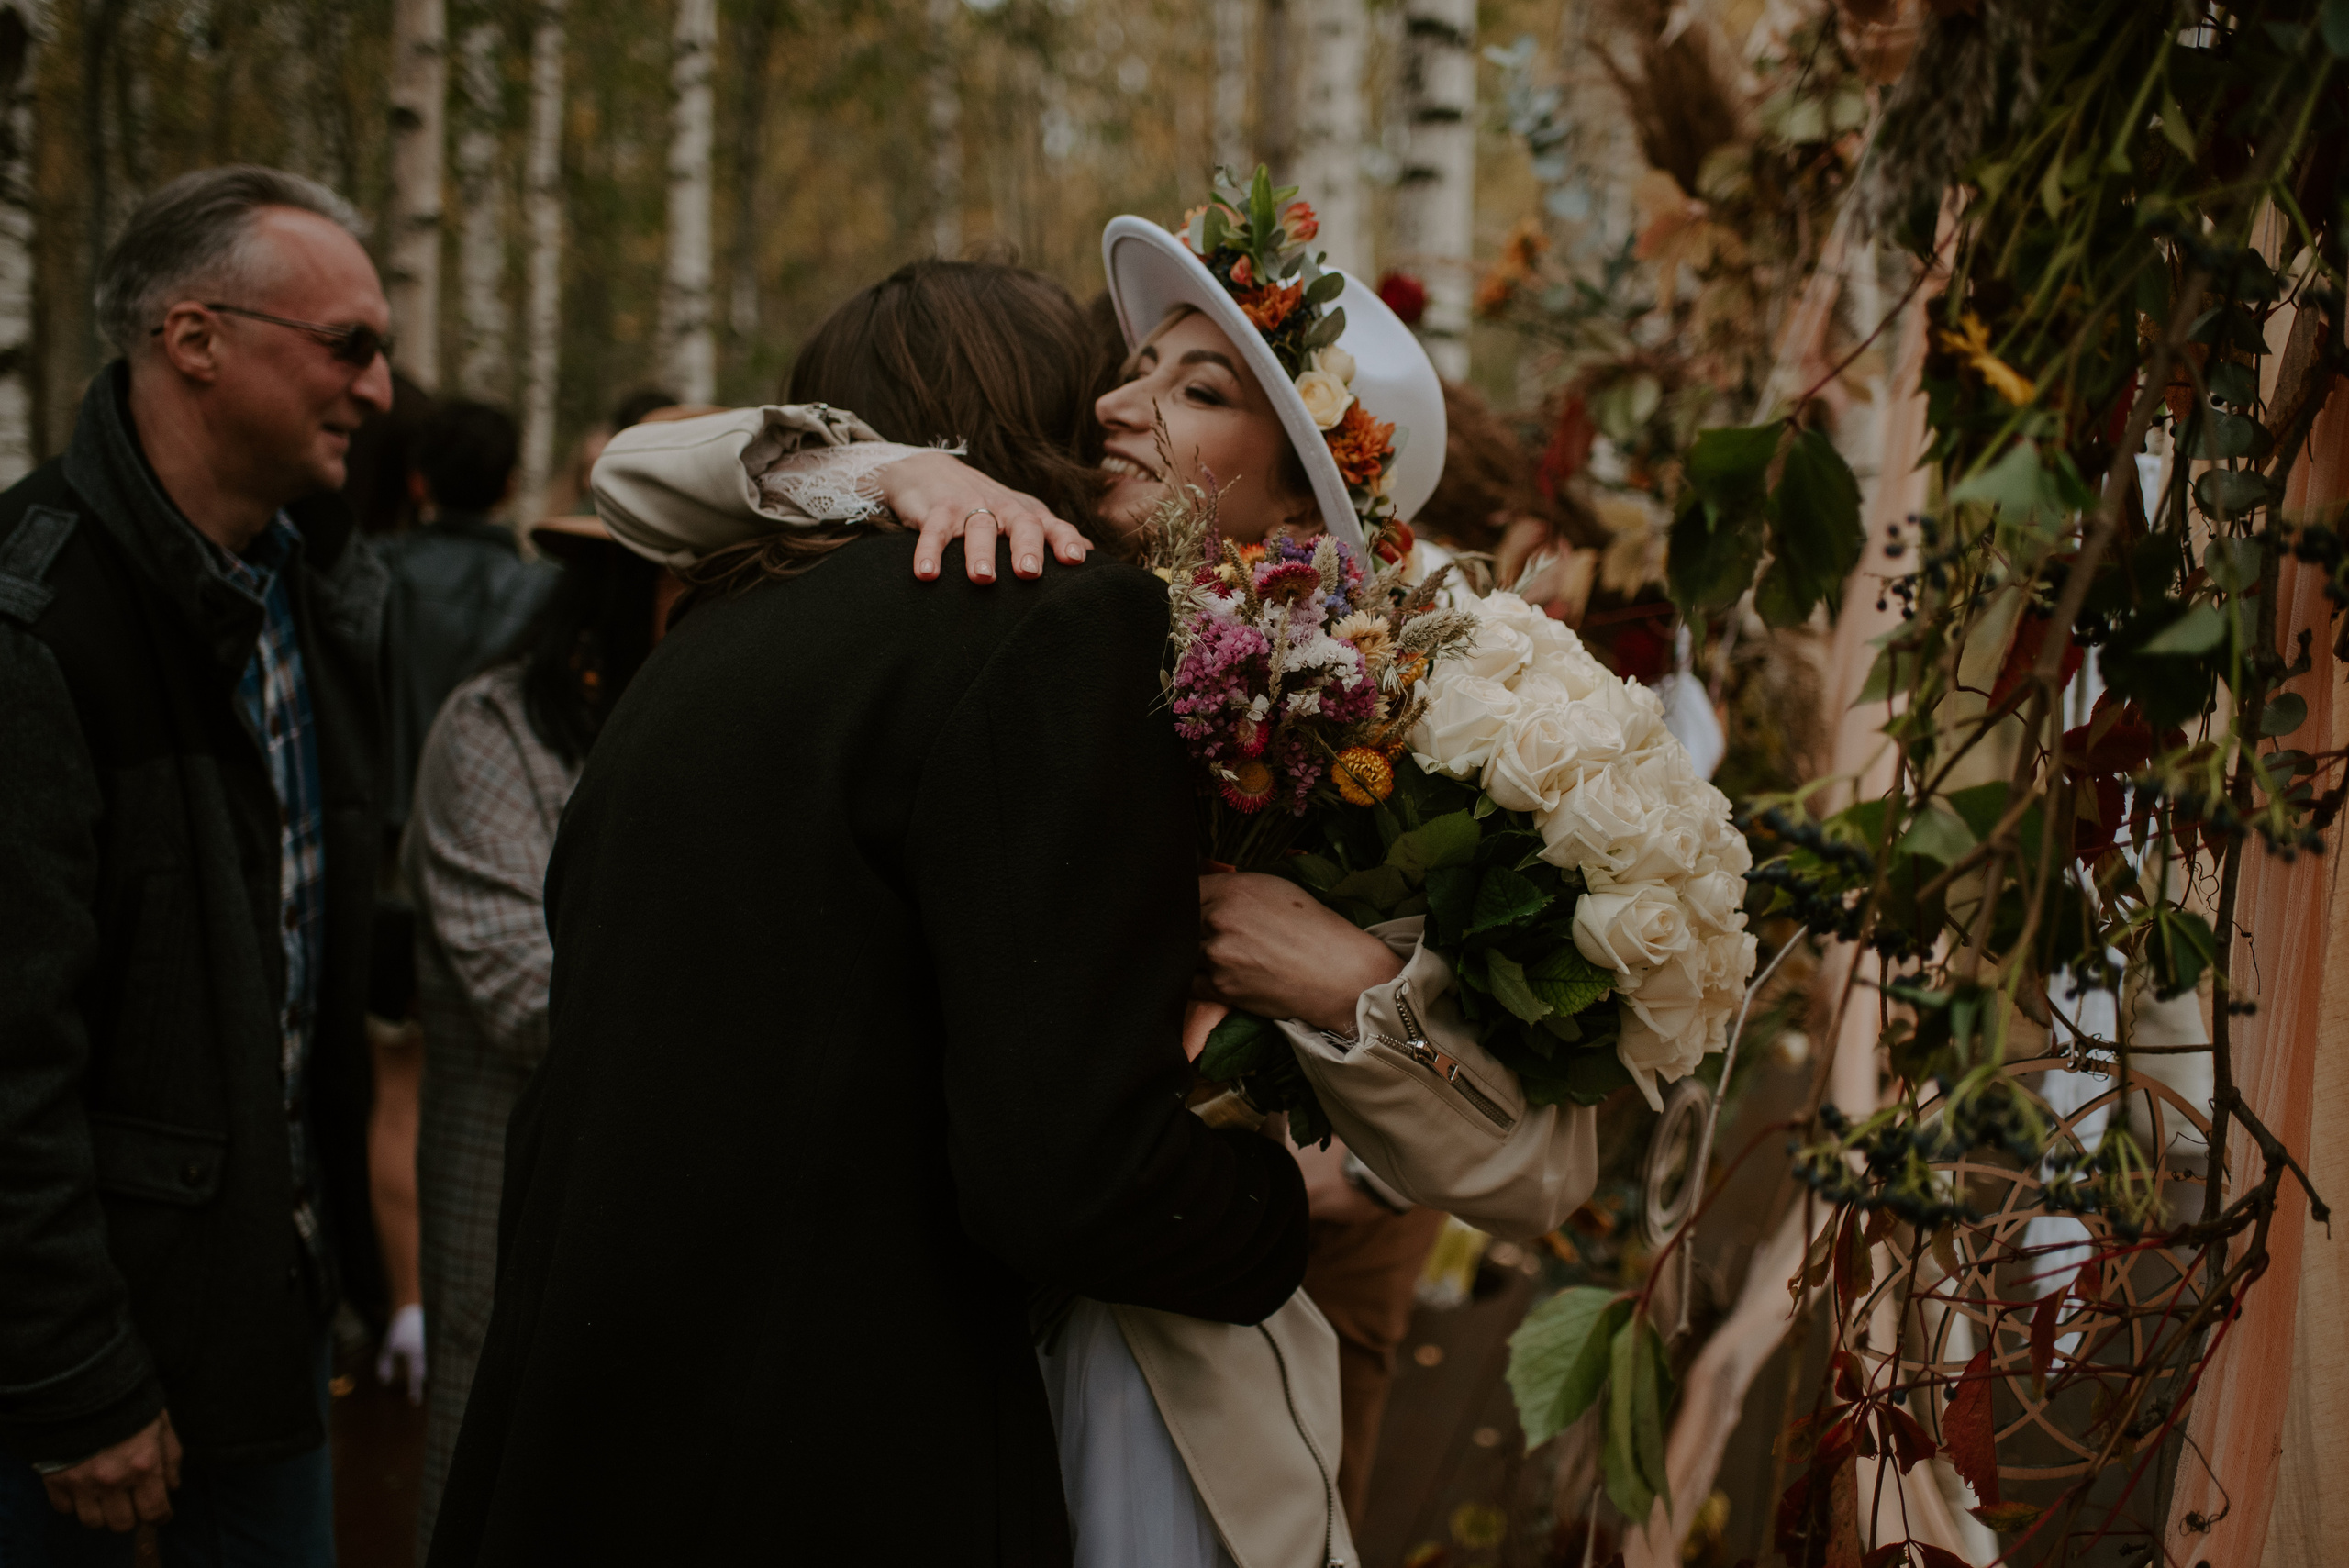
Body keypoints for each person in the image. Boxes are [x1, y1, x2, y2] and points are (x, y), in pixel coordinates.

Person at [591, 215, 1605, 1568]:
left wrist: (1349, 988)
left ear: (1301, 500)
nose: (1120, 406)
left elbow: (1545, 1168)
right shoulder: (1011, 617)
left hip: (1158, 1381)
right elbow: (631, 475)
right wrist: (887, 466)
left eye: (1197, 390)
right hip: (907, 1378)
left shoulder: (1365, 743)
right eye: (1127, 370)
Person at [423, 259, 1314, 1567]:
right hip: (834, 1447)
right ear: (1042, 422)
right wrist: (1265, 1206)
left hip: (590, 1412)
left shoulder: (701, 651)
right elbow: (1062, 1175)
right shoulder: (1058, 624)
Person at [0, 163, 394, 1562]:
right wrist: (71, 1380)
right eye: (350, 344)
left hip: (266, 1326)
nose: (384, 388)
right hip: (79, 1381)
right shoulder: (35, 624)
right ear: (194, 339)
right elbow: (8, 1059)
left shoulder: (326, 593)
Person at [406, 509, 678, 1559]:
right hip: (515, 1220)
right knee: (495, 1502)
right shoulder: (493, 733)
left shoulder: (715, 719)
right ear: (619, 586)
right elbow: (529, 993)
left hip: (658, 1239)